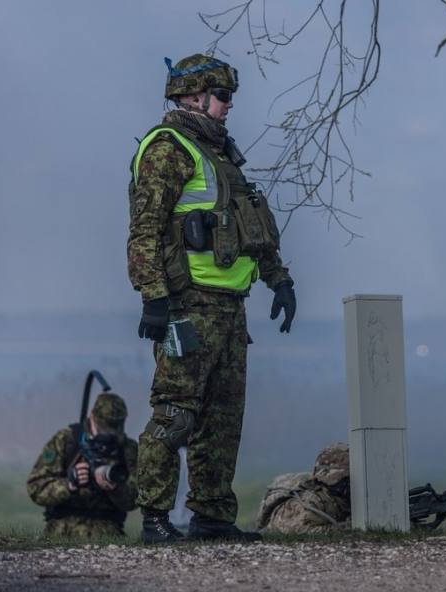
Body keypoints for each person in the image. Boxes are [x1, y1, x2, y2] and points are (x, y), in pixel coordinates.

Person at [127, 53, 296, 543]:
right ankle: (155, 518)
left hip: (229, 308)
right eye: (222, 97)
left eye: (229, 98)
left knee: (222, 419)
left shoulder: (221, 156)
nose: (228, 106)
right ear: (192, 96)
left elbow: (252, 228)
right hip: (188, 306)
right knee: (176, 411)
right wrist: (154, 298)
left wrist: (279, 280)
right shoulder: (167, 149)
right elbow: (144, 232)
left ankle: (212, 517)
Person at [27, 393, 138, 539]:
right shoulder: (67, 440)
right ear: (92, 417)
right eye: (104, 426)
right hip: (61, 532)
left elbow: (137, 498)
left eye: (114, 427)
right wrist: (69, 484)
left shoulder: (128, 449)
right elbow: (36, 488)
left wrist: (115, 488)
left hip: (108, 534)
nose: (108, 433)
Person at [257, 443, 351, 534]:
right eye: (346, 479)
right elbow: (298, 530)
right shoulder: (314, 502)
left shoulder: (342, 499)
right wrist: (344, 529)